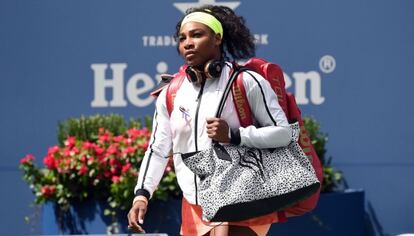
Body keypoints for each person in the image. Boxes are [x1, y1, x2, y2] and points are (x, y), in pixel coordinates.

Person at [128, 5, 292, 236]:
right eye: (182, 38)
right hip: (194, 204)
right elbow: (157, 149)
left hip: (242, 196)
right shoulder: (171, 92)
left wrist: (235, 135)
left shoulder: (246, 81)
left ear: (217, 38)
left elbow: (283, 134)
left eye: (197, 35)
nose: (188, 43)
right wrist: (142, 194)